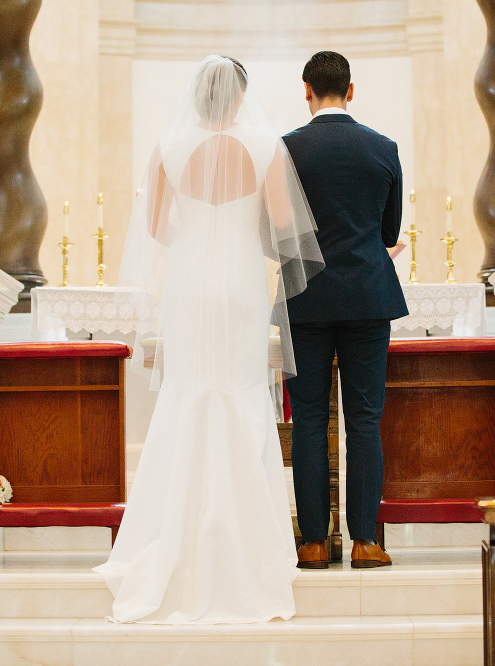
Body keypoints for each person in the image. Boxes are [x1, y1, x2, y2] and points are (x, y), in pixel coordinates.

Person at [94, 56, 325, 624]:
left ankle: (170, 531)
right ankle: (252, 543)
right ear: (240, 97)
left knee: (188, 392)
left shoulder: (168, 146)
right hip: (241, 282)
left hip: (190, 283)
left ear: (196, 95)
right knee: (241, 392)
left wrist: (196, 232)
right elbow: (280, 221)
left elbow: (152, 228)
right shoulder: (267, 147)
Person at [282, 51, 407, 569]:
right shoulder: (383, 148)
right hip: (366, 296)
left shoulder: (286, 151)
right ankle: (365, 540)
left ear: (306, 89)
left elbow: (277, 227)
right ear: (351, 91)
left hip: (305, 299)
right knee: (365, 419)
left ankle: (313, 540)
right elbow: (389, 232)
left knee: (308, 420)